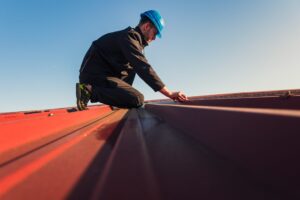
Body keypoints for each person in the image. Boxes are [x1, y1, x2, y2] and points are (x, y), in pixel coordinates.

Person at [76, 10, 188, 110]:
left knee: (132, 66)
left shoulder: (133, 42)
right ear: (147, 26)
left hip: (105, 74)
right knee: (138, 99)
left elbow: (138, 66)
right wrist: (169, 93)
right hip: (94, 76)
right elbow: (144, 68)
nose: (154, 38)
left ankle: (116, 99)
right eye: (155, 33)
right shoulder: (129, 37)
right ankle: (88, 90)